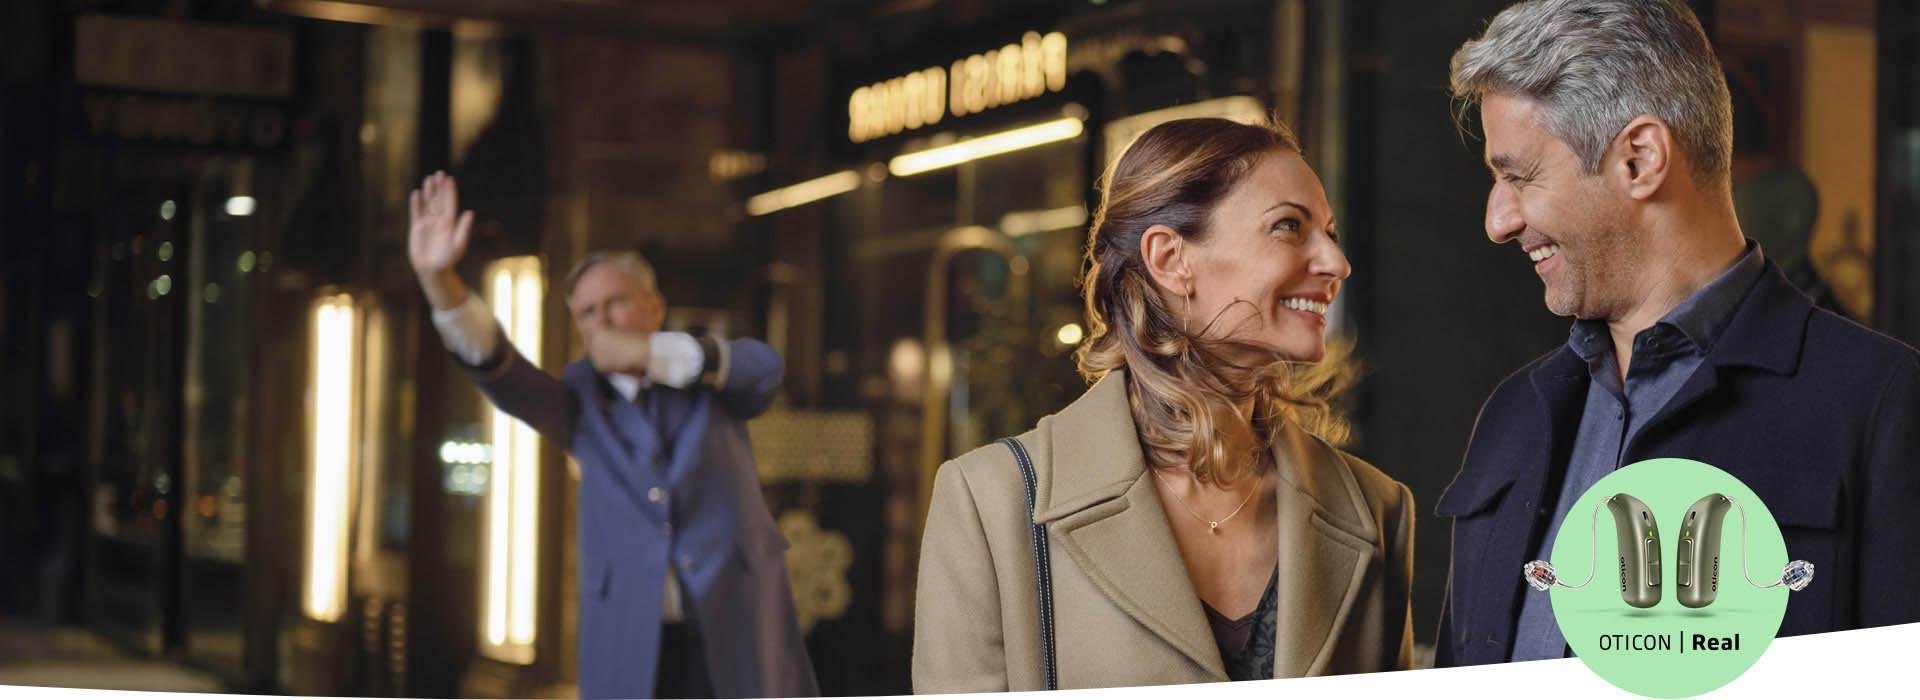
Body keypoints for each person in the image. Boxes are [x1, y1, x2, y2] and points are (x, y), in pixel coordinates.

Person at [1435, 0, 1920, 667]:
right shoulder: (1513, 414)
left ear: (1639, 160)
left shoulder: (1884, 402)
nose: (1498, 222)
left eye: (1518, 176)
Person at [912, 118, 1414, 691]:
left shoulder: (1377, 510)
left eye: (1329, 232)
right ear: (1171, 258)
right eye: (1288, 227)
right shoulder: (991, 502)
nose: (1336, 263)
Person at [407, 172, 818, 698]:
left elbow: (764, 369)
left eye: (616, 303)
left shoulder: (707, 376)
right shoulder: (577, 402)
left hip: (736, 625)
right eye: (587, 313)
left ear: (654, 307)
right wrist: (439, 282)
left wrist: (650, 353)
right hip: (633, 639)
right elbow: (500, 369)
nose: (602, 320)